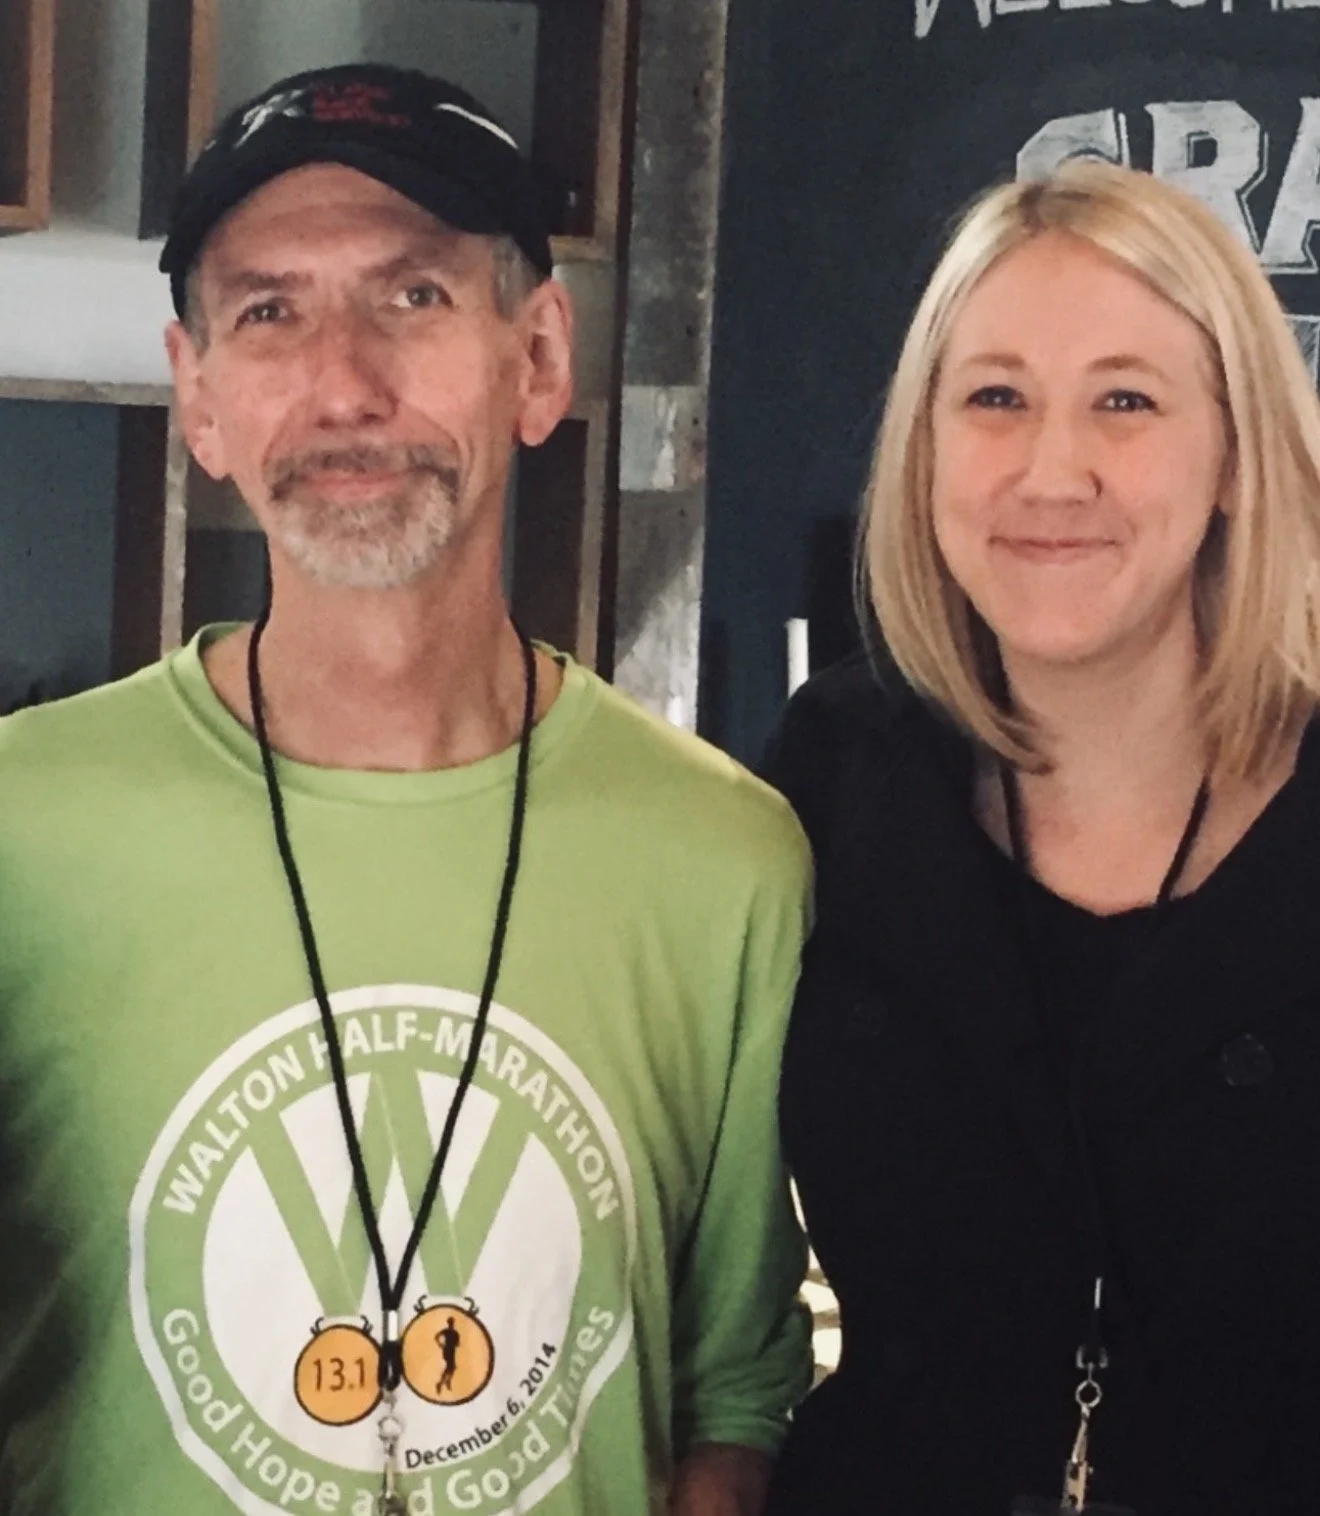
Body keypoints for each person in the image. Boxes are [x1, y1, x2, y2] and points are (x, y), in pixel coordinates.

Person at [0, 63, 811, 1516]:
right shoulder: (21, 829)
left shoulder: (726, 857)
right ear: (201, 396)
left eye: (414, 298)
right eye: (270, 312)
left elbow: (728, 1395)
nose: (343, 385)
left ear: (540, 358)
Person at [762, 159, 1320, 1515]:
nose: (1050, 469)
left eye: (1125, 401)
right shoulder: (836, 772)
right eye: (996, 398)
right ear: (927, 446)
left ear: (1239, 453)